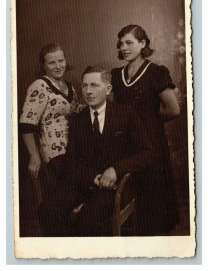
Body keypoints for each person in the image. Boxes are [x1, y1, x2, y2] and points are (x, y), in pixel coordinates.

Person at [38, 66, 155, 237]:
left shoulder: (125, 114)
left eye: (94, 85)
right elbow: (71, 161)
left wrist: (116, 169)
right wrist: (91, 177)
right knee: (46, 210)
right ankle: (66, 256)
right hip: (83, 183)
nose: (88, 91)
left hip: (112, 189)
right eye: (84, 86)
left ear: (107, 89)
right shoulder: (77, 120)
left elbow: (147, 153)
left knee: (87, 220)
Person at [111, 24, 181, 235]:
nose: (124, 47)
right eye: (121, 43)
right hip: (127, 144)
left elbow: (174, 109)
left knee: (154, 194)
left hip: (152, 142)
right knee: (131, 191)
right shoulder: (117, 75)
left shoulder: (156, 72)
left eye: (129, 42)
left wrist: (149, 122)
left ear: (143, 44)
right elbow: (115, 110)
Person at [19, 42, 79, 182]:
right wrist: (34, 155)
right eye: (52, 63)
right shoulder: (39, 86)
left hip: (74, 149)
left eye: (61, 61)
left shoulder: (69, 87)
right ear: (44, 65)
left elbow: (72, 112)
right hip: (55, 154)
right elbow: (27, 125)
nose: (58, 66)